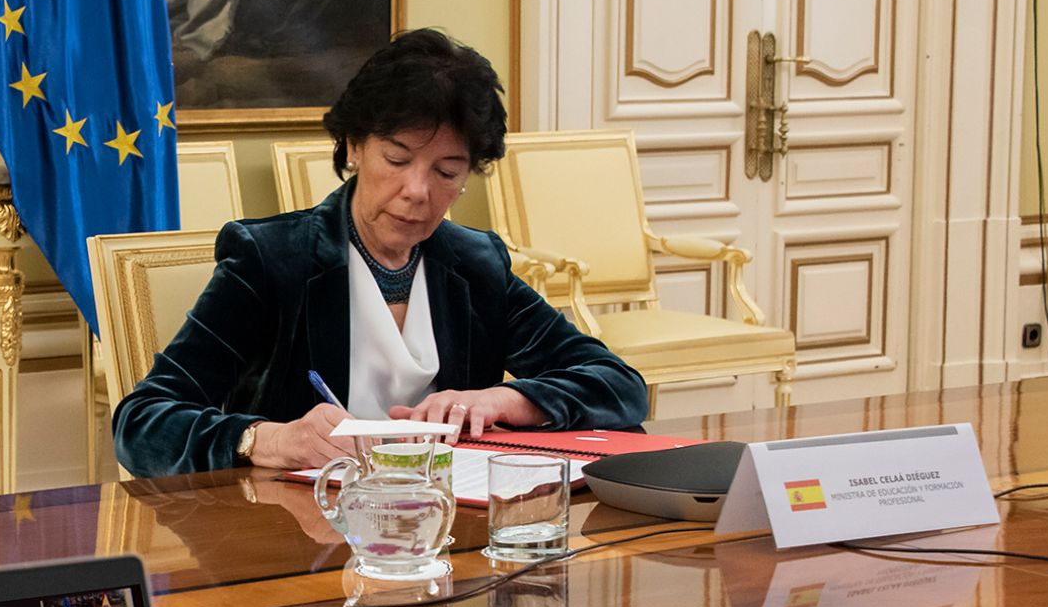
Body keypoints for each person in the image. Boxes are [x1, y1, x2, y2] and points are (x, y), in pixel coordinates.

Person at [113, 29, 649, 479]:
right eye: (397, 158)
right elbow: (142, 422)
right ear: (353, 146)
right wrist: (268, 440)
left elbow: (619, 386)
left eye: (446, 171)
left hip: (447, 532)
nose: (419, 191)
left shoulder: (475, 264)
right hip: (298, 535)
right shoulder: (271, 261)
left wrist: (502, 400)